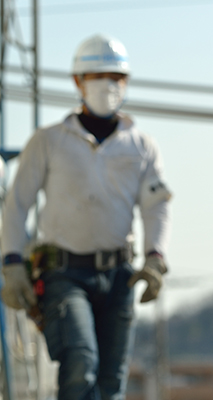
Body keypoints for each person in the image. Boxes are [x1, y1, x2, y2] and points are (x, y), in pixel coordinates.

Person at [0, 34, 171, 400]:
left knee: (111, 383)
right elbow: (17, 203)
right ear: (78, 82)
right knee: (80, 361)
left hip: (119, 275)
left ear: (125, 83)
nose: (107, 85)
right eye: (97, 76)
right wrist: (12, 263)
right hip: (64, 273)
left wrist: (155, 257)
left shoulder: (141, 145)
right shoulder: (48, 142)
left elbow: (156, 206)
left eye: (115, 77)